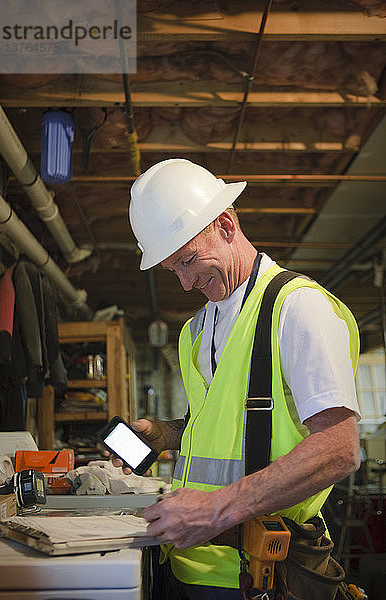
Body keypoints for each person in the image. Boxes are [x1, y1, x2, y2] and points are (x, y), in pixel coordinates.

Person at [116, 158, 361, 599]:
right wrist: (164, 435)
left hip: (260, 573)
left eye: (189, 260)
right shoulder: (196, 329)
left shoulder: (297, 308)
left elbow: (339, 449)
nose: (187, 283)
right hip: (187, 563)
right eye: (174, 270)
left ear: (226, 225)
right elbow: (222, 427)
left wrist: (214, 510)